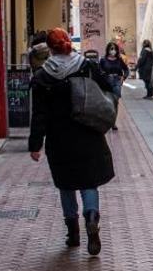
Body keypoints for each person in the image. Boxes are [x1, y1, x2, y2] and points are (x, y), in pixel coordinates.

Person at [29, 28, 114, 256]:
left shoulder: (42, 77)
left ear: (49, 48)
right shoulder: (86, 66)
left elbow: (39, 115)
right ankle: (92, 217)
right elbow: (107, 86)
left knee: (66, 184)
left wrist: (35, 144)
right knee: (89, 181)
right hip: (88, 132)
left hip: (59, 138)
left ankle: (73, 233)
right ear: (68, 43)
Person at [100, 41, 128, 131]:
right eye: (111, 49)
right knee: (107, 103)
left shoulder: (119, 60)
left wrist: (123, 77)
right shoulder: (103, 60)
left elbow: (126, 70)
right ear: (108, 50)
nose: (113, 51)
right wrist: (104, 77)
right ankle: (107, 120)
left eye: (115, 49)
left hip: (116, 82)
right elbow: (99, 71)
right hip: (107, 82)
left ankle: (113, 122)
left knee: (115, 103)